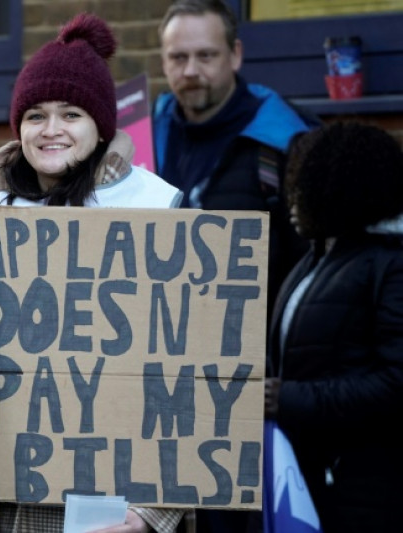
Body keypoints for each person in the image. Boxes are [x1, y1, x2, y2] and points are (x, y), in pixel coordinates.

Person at [0, 12, 186, 533]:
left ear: (100, 125)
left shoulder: (156, 212)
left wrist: (152, 515)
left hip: (107, 502)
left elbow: (191, 372)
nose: (51, 130)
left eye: (71, 113)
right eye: (35, 114)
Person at [264, 121, 403, 531]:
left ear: (341, 189)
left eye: (304, 189)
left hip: (367, 494)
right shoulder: (318, 258)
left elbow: (397, 382)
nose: (292, 203)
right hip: (314, 480)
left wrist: (287, 398)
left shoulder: (391, 265)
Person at [154, 0, 316, 316]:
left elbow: (312, 263)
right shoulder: (143, 137)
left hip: (257, 349)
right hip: (162, 342)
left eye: (206, 55)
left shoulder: (287, 139)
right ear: (163, 61)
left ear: (235, 55)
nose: (190, 71)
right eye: (178, 57)